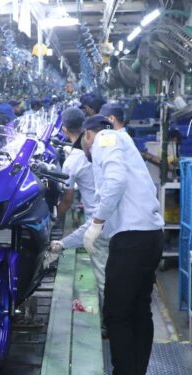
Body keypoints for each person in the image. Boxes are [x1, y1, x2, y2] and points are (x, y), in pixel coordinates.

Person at [80, 115, 165, 375]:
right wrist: (64, 243)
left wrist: (96, 222)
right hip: (151, 236)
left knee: (116, 313)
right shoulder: (124, 142)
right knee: (139, 310)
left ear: (87, 135)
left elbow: (115, 183)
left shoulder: (104, 138)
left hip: (132, 240)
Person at [46, 107, 109, 311]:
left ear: (64, 129)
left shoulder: (72, 161)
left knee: (103, 276)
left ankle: (110, 321)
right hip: (113, 217)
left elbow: (67, 200)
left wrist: (53, 219)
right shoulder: (98, 148)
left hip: (99, 223)